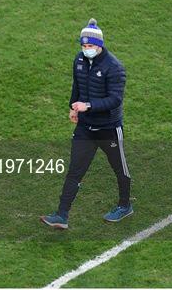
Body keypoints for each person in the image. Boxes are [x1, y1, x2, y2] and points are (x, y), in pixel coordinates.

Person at [40, 18, 132, 229]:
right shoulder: (79, 60)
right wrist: (73, 108)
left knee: (120, 168)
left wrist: (87, 106)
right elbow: (77, 86)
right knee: (75, 170)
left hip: (108, 128)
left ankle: (125, 205)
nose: (86, 49)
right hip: (85, 128)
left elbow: (115, 99)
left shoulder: (114, 67)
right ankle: (62, 215)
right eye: (83, 46)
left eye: (89, 46)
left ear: (99, 46)